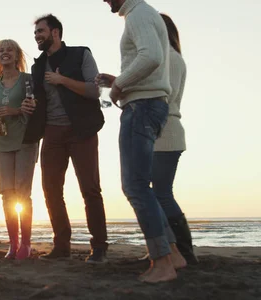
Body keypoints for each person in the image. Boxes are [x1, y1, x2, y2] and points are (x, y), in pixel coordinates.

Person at [98, 0, 187, 282]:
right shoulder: (144, 14)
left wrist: (119, 85)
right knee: (143, 187)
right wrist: (121, 83)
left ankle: (162, 263)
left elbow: (150, 58)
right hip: (148, 105)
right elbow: (150, 60)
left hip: (142, 107)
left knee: (136, 186)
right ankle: (172, 252)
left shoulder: (137, 14)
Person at [21, 14, 108, 264]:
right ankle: (62, 246)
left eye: (41, 31)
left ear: (56, 32)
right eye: (35, 33)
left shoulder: (81, 54)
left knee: (90, 189)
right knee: (50, 190)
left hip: (81, 130)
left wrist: (62, 80)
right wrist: (31, 105)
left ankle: (99, 247)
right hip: (52, 132)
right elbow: (39, 100)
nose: (37, 36)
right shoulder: (37, 67)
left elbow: (95, 91)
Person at [0, 39, 38, 260]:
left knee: (22, 192)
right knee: (7, 193)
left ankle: (26, 244)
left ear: (17, 56)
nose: (5, 53)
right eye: (1, 50)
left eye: (9, 50)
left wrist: (16, 111)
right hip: (4, 143)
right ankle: (13, 244)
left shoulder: (28, 80)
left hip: (26, 140)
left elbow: (36, 110)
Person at [153, 14, 198, 265]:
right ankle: (169, 248)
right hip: (162, 131)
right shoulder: (167, 58)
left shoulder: (169, 59)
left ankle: (183, 250)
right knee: (157, 192)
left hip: (166, 131)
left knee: (160, 192)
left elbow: (162, 97)